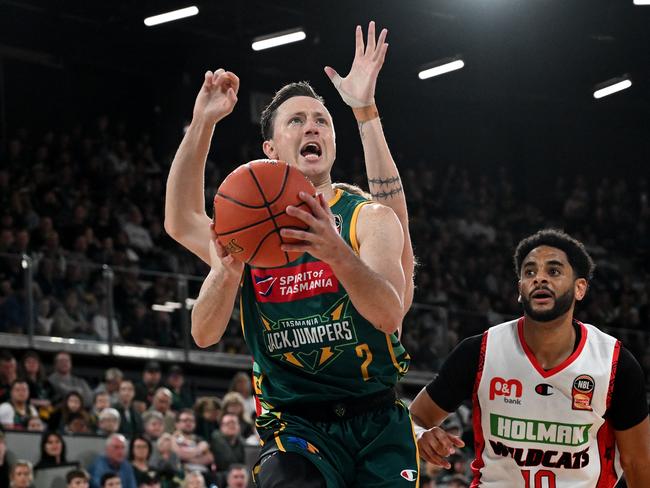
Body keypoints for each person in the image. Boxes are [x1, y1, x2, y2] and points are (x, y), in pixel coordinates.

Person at [165, 21, 417, 487]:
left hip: (376, 418)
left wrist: (336, 252)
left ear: (333, 143)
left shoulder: (368, 219)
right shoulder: (246, 232)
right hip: (294, 422)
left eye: (321, 120)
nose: (312, 127)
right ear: (270, 148)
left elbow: (390, 313)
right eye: (296, 121)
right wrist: (202, 122)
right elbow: (181, 221)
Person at [410, 229, 650, 487]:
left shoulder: (614, 363)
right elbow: (415, 417)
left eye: (554, 271)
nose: (539, 279)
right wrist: (420, 435)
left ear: (580, 288)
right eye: (530, 272)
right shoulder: (479, 351)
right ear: (520, 289)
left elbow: (637, 462)